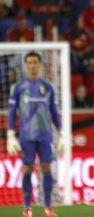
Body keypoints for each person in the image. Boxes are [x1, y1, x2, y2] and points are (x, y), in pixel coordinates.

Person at [6, 52, 65, 217]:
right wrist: (10, 134)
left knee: (46, 167)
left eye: (35, 62)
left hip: (46, 135)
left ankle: (47, 207)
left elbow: (54, 111)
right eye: (30, 62)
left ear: (40, 65)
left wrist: (61, 133)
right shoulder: (18, 87)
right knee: (28, 168)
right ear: (25, 65)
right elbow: (11, 113)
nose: (32, 65)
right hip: (26, 136)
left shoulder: (48, 87)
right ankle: (27, 208)